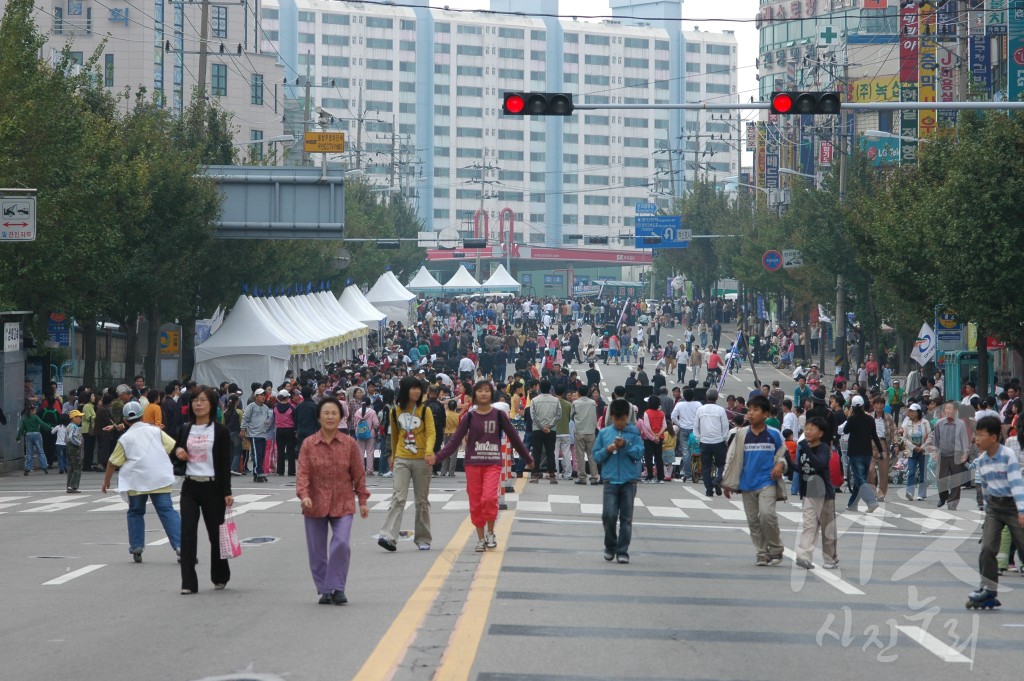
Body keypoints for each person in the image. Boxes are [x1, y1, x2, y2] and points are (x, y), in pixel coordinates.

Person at [429, 381, 532, 552]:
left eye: (486, 391)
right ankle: (480, 538)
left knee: (490, 498)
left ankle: (491, 532)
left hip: (493, 463)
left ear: (491, 394)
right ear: (474, 395)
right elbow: (454, 441)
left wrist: (527, 458)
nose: (483, 393)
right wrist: (437, 457)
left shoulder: (499, 415)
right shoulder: (469, 417)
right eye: (480, 391)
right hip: (473, 464)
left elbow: (513, 437)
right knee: (476, 503)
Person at [297, 397, 370, 605]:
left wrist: (362, 500)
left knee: (341, 543)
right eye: (326, 413)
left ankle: (337, 586)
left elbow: (359, 473)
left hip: (343, 501)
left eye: (334, 413)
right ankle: (325, 590)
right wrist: (304, 496)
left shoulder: (349, 444)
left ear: (341, 417)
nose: (330, 416)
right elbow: (302, 473)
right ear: (319, 417)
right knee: (317, 550)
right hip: (314, 503)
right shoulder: (309, 444)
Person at [101, 401, 182, 564]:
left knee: (136, 511)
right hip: (159, 478)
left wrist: (106, 481)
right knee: (167, 510)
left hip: (136, 480)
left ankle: (137, 547)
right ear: (143, 416)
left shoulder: (125, 438)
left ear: (125, 420)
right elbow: (173, 447)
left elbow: (112, 463)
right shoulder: (155, 431)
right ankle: (181, 546)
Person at [173, 387, 234, 595]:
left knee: (215, 535)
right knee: (187, 534)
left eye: (203, 400)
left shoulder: (220, 431)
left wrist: (227, 491)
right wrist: (178, 451)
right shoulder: (185, 429)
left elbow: (225, 463)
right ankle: (188, 583)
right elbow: (177, 451)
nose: (198, 404)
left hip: (213, 487)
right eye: (195, 401)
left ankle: (220, 575)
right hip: (190, 486)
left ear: (212, 404)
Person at [721, 395, 789, 567]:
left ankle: (775, 549)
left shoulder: (774, 434)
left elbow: (783, 456)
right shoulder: (741, 434)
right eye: (749, 410)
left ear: (765, 414)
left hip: (767, 482)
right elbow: (731, 458)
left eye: (755, 410)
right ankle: (761, 553)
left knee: (767, 515)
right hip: (747, 484)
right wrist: (727, 482)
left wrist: (780, 465)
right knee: (753, 521)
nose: (751, 413)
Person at [966, 416, 1024, 608]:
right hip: (994, 508)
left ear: (993, 437)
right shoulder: (982, 460)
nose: (976, 439)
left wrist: (1022, 511)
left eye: (980, 435)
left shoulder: (1007, 455)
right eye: (976, 435)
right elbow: (984, 487)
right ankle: (988, 590)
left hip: (1012, 507)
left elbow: (1017, 484)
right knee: (987, 548)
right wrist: (986, 512)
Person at [378, 377, 436, 552]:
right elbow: (395, 436)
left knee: (421, 501)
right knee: (398, 497)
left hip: (422, 460)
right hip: (402, 458)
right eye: (413, 388)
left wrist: (428, 451)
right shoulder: (395, 412)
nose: (417, 392)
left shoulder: (425, 410)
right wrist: (393, 457)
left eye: (419, 389)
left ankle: (423, 538)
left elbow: (431, 433)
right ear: (405, 390)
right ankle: (388, 536)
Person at [593, 399, 644, 564]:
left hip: (629, 481)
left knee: (626, 519)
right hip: (610, 480)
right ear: (612, 417)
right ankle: (610, 546)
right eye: (617, 419)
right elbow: (596, 456)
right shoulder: (604, 433)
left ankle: (622, 551)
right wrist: (608, 449)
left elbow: (638, 454)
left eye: (623, 419)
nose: (620, 423)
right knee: (608, 515)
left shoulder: (634, 433)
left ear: (627, 417)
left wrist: (626, 446)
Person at [793, 417, 839, 570]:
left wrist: (805, 449)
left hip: (823, 493)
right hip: (809, 492)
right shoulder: (804, 448)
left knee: (827, 528)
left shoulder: (824, 448)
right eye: (806, 428)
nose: (807, 431)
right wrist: (786, 460)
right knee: (809, 525)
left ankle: (830, 558)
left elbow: (819, 464)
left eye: (812, 429)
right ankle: (804, 556)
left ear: (820, 433)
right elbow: (800, 468)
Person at [840, 395, 882, 514]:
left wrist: (849, 416)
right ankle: (852, 504)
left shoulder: (852, 419)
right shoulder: (869, 419)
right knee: (860, 479)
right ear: (863, 405)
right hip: (867, 452)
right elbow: (874, 435)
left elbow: (845, 430)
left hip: (855, 452)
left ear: (852, 407)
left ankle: (871, 501)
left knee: (859, 479)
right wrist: (881, 450)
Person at [932, 402, 970, 510]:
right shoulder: (939, 423)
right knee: (941, 479)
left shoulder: (961, 424)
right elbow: (935, 439)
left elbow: (964, 440)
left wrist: (965, 454)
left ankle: (952, 503)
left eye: (950, 408)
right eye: (946, 409)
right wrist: (934, 452)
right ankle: (943, 497)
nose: (947, 410)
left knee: (956, 480)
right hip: (943, 455)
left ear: (955, 411)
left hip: (956, 455)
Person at [694, 388, 730, 497]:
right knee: (721, 464)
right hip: (718, 441)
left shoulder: (700, 409)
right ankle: (717, 480)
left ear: (706, 397)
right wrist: (725, 438)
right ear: (717, 398)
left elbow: (696, 426)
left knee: (706, 467)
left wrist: (699, 438)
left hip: (704, 441)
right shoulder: (720, 410)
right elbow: (725, 426)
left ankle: (708, 490)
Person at [529, 380, 562, 484]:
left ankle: (535, 474)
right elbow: (558, 415)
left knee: (536, 452)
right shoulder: (556, 400)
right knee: (550, 452)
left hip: (537, 430)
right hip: (551, 430)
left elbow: (533, 416)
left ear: (539, 388)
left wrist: (541, 426)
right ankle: (552, 475)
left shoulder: (534, 400)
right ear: (550, 388)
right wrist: (549, 426)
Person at [901, 404, 932, 501]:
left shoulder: (925, 423)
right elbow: (904, 438)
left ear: (918, 412)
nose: (911, 413)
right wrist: (913, 447)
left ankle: (921, 494)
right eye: (910, 411)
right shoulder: (907, 424)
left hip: (923, 450)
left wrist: (922, 447)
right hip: (912, 451)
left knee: (923, 472)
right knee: (911, 471)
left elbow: (930, 436)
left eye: (913, 411)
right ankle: (909, 492)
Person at [570, 387, 599, 485]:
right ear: (588, 392)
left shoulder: (575, 403)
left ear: (578, 392)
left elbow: (571, 416)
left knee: (580, 455)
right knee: (591, 455)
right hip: (591, 431)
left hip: (579, 431)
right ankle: (594, 476)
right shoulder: (592, 403)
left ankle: (582, 477)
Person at [240, 388, 271, 483]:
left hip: (263, 434)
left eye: (264, 395)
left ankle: (256, 473)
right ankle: (259, 472)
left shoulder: (265, 408)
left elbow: (268, 418)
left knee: (261, 455)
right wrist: (243, 429)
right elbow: (245, 418)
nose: (263, 397)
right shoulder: (251, 406)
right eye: (261, 395)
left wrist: (267, 423)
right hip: (254, 434)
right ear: (256, 396)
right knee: (257, 454)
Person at [638, 396, 667, 483]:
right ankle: (660, 477)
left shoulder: (647, 412)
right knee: (659, 457)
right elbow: (664, 425)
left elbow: (647, 426)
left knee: (648, 457)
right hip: (659, 438)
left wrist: (653, 435)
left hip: (649, 438)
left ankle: (650, 476)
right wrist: (658, 434)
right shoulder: (662, 413)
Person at [16, 405, 48, 475]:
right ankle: (44, 467)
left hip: (28, 435)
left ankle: (28, 468)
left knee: (29, 453)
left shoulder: (25, 419)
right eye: (35, 410)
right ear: (32, 411)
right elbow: (42, 423)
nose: (35, 411)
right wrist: (49, 428)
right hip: (37, 435)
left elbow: (21, 429)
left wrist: (18, 438)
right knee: (40, 451)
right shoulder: (35, 417)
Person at [352, 397, 379, 476]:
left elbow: (355, 424)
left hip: (359, 434)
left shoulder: (357, 412)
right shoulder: (372, 412)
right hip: (370, 434)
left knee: (360, 452)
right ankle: (369, 470)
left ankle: (360, 470)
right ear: (369, 403)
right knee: (370, 452)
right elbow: (376, 424)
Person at [274, 389, 298, 476]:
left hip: (279, 430)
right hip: (290, 430)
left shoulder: (275, 408)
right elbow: (295, 420)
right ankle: (291, 471)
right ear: (287, 397)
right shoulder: (291, 408)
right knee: (290, 451)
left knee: (280, 451)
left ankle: (280, 471)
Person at [65, 410, 85, 493]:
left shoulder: (68, 426)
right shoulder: (74, 427)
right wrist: (79, 443)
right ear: (74, 418)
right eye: (79, 417)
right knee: (77, 467)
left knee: (71, 467)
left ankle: (69, 486)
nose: (80, 419)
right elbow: (71, 437)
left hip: (69, 448)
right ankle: (73, 486)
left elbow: (66, 439)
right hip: (74, 448)